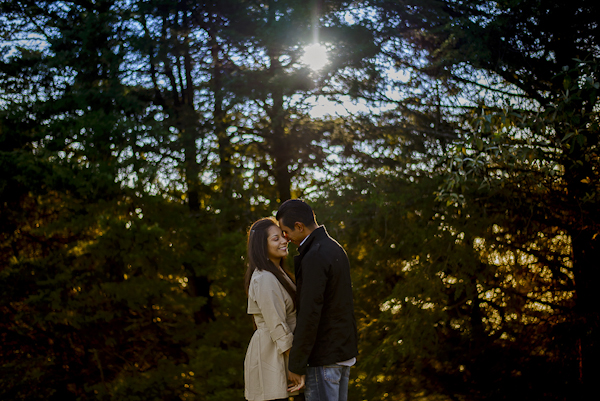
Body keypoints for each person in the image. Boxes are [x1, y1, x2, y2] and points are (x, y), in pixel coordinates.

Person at [276, 199, 358, 401]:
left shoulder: (315, 255)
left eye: (286, 231)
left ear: (299, 226)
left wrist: (296, 364)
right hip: (341, 354)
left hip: (323, 357)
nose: (286, 237)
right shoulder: (335, 248)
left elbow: (310, 314)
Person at [244, 217, 301, 401]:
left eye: (282, 236)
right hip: (270, 356)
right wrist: (295, 365)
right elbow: (276, 324)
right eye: (276, 239)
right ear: (262, 245)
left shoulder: (278, 274)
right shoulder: (265, 278)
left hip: (279, 353)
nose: (284, 241)